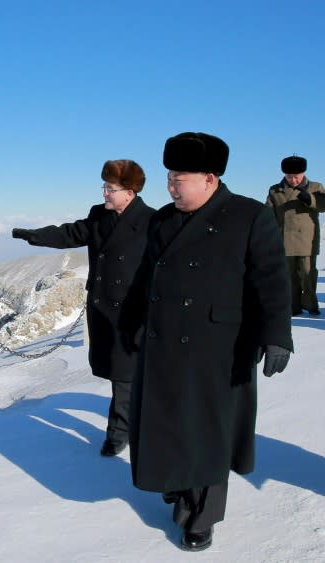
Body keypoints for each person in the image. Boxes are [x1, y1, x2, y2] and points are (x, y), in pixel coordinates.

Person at [120, 132, 293, 552]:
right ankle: (177, 486)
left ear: (210, 178)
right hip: (163, 343)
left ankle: (203, 517)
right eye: (169, 177)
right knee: (168, 424)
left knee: (208, 435)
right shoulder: (161, 219)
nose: (171, 185)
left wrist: (276, 336)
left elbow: (270, 279)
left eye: (180, 177)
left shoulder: (249, 216)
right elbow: (146, 277)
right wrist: (128, 323)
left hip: (220, 347)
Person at [12, 159, 154, 457]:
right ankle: (127, 426)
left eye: (111, 188)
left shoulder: (152, 221)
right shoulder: (99, 216)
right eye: (104, 187)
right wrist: (35, 236)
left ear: (130, 191)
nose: (105, 193)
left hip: (133, 311)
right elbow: (72, 233)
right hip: (103, 307)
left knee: (125, 375)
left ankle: (119, 433)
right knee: (120, 372)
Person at [265, 155, 325, 315]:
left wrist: (310, 199)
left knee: (308, 274)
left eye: (296, 177)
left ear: (303, 172)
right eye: (289, 177)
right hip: (284, 240)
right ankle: (294, 306)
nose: (293, 180)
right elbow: (268, 213)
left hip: (307, 239)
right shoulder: (275, 190)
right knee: (289, 277)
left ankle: (311, 305)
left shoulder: (315, 187)